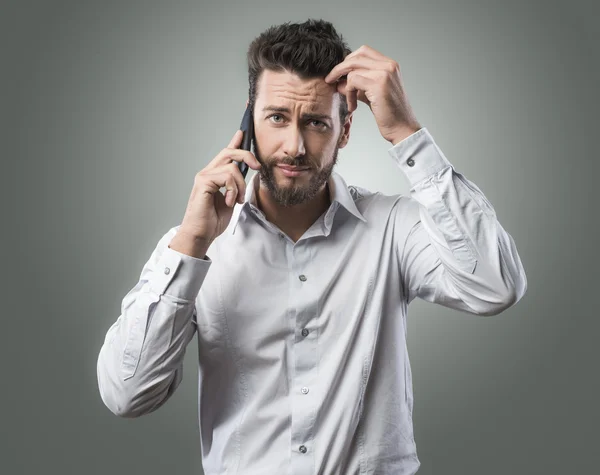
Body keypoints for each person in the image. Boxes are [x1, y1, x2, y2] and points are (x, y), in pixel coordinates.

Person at [97, 18, 527, 475]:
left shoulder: (393, 227)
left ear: (344, 132)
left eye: (317, 123)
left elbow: (495, 286)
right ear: (248, 122)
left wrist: (406, 132)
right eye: (277, 118)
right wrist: (191, 244)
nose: (294, 146)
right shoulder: (193, 246)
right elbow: (127, 394)